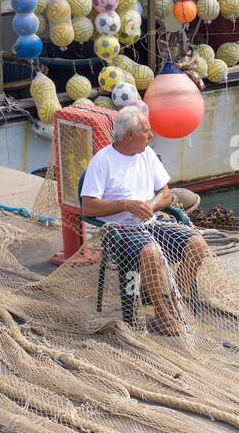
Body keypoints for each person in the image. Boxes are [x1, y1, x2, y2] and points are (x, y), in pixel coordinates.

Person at [80, 104, 208, 335]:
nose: (151, 135)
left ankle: (173, 301)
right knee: (150, 252)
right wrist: (126, 205)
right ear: (130, 135)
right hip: (118, 231)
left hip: (151, 223)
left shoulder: (146, 155)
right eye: (146, 131)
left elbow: (166, 194)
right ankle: (160, 311)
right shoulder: (102, 161)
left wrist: (151, 206)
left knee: (197, 244)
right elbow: (88, 207)